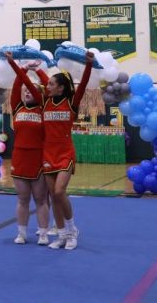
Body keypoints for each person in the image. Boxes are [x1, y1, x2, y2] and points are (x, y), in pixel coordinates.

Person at [43, 51, 93, 251]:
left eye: (51, 84)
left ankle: (72, 230)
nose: (47, 86)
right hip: (47, 153)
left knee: (59, 191)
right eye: (47, 84)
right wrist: (35, 66)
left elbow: (82, 85)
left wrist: (88, 65)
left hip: (65, 153)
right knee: (52, 196)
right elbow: (35, 82)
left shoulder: (71, 103)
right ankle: (61, 235)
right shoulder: (45, 102)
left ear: (61, 88)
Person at [5, 52, 51, 246]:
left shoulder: (42, 107)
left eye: (30, 90)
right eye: (24, 90)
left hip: (38, 158)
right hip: (20, 158)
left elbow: (48, 85)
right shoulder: (17, 108)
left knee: (40, 198)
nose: (26, 92)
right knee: (23, 198)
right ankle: (22, 233)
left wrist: (36, 69)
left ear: (38, 94)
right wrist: (20, 68)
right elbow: (17, 86)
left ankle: (43, 233)